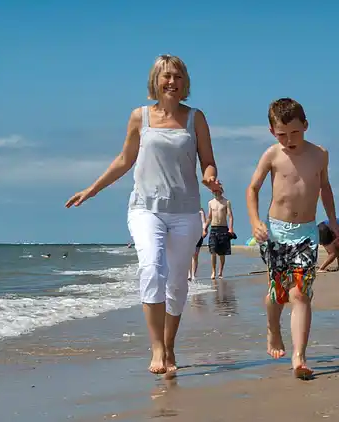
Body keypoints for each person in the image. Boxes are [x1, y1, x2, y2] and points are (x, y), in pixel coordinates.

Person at [65, 54, 222, 375]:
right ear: (155, 81)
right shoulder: (140, 117)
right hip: (145, 208)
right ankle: (157, 348)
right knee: (151, 269)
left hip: (185, 212)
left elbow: (208, 160)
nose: (172, 82)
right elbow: (125, 160)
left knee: (177, 283)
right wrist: (92, 189)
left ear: (185, 81)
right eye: (166, 76)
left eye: (177, 76)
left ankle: (170, 344)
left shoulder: (195, 118)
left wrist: (209, 177)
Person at [246, 97, 339, 379]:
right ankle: (273, 329)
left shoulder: (319, 154)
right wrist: (255, 222)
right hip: (276, 232)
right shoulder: (272, 155)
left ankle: (299, 357)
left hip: (306, 233)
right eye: (282, 134)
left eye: (295, 133)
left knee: (300, 293)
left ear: (306, 126)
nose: (289, 140)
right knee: (278, 293)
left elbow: (325, 187)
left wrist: (333, 221)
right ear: (272, 132)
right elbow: (252, 189)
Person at [206, 191, 234, 279]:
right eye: (214, 191)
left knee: (222, 252)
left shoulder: (226, 202)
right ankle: (213, 271)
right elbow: (209, 217)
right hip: (213, 228)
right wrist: (205, 228)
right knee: (213, 251)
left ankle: (220, 271)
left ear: (221, 191)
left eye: (217, 190)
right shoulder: (210, 203)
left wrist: (230, 228)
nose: (216, 192)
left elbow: (230, 216)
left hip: (223, 228)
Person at [188, 207, 209, 281]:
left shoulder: (201, 210)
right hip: (189, 234)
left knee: (195, 255)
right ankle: (189, 274)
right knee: (189, 255)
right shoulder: (187, 209)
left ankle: (193, 274)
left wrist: (205, 230)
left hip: (198, 234)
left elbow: (203, 222)